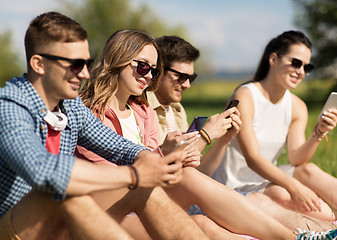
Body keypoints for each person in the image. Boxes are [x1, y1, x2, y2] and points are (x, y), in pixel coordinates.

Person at [77, 30, 337, 240]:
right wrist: (200, 140)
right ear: (119, 60)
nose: (148, 76)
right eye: (143, 67)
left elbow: (179, 171)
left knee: (202, 224)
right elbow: (116, 175)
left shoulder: (144, 114)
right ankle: (300, 237)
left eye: (153, 70)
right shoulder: (89, 114)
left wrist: (211, 142)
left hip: (154, 197)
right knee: (256, 199)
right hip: (111, 205)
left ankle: (328, 233)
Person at [0, 12, 210, 240]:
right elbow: (44, 171)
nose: (84, 74)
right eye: (74, 65)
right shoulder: (8, 107)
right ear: (39, 64)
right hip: (14, 225)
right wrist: (133, 175)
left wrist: (147, 159)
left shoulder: (70, 106)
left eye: (87, 64)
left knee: (142, 189)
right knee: (63, 194)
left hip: (59, 220)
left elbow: (117, 146)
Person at [211, 30, 337, 223]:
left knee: (309, 170)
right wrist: (295, 187)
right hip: (235, 183)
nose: (301, 72)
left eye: (307, 67)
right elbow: (252, 158)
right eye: (296, 63)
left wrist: (318, 133)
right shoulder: (245, 95)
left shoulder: (297, 106)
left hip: (267, 178)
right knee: (282, 193)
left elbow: (296, 158)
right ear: (273, 59)